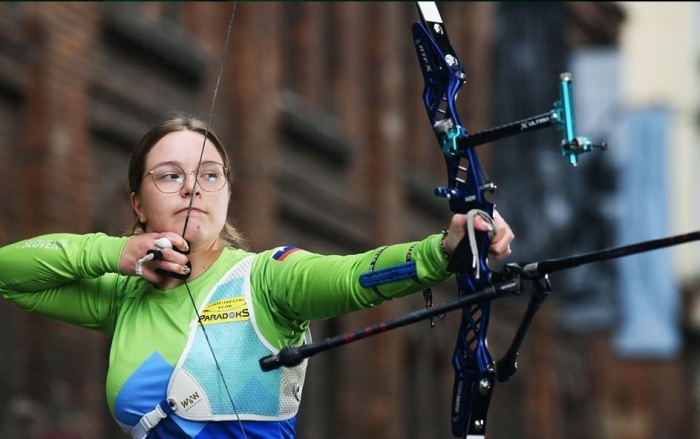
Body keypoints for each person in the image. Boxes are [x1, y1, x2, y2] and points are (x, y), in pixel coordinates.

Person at [0, 113, 514, 439]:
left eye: (210, 175)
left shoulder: (267, 281)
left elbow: (355, 273)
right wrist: (117, 253)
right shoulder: (123, 297)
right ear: (137, 200)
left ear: (226, 193)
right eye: (170, 175)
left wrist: (444, 249)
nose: (192, 189)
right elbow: (9, 274)